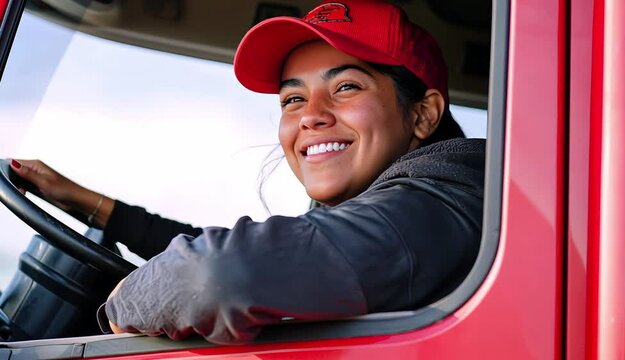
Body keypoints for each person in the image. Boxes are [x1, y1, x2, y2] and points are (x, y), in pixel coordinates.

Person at [10, 0, 485, 345]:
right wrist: (92, 205)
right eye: (293, 98)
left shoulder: (444, 200)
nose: (309, 115)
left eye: (345, 87)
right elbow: (264, 249)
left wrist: (125, 303)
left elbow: (215, 273)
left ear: (423, 115)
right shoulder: (392, 214)